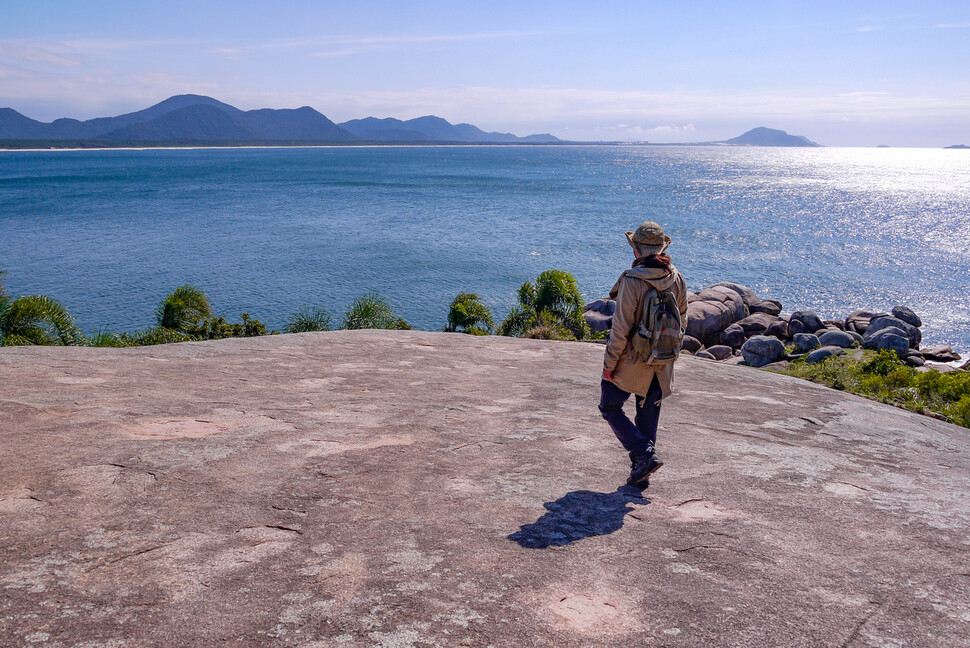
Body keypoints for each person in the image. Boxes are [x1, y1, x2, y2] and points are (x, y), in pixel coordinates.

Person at [600, 221, 688, 487]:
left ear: (637, 250)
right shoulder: (676, 277)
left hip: (632, 361)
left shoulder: (632, 280)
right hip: (662, 361)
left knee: (610, 406)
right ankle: (642, 472)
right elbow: (683, 319)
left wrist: (609, 364)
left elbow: (620, 329)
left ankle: (643, 455)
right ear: (661, 248)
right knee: (647, 416)